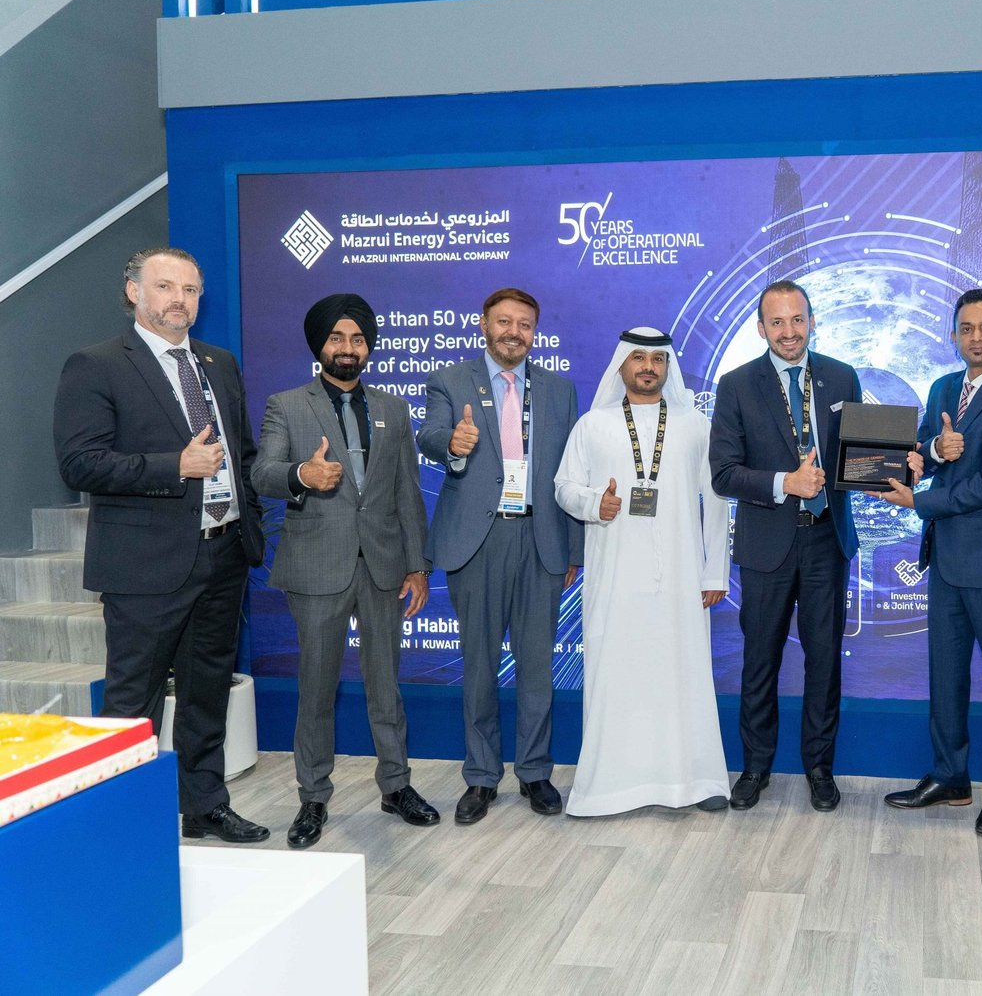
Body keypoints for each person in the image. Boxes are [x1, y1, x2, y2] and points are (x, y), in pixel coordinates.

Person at [53, 247, 269, 841]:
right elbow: (80, 463)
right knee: (132, 702)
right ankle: (121, 825)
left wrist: (248, 525)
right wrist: (175, 465)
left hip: (223, 553)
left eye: (191, 290)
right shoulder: (96, 365)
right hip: (144, 565)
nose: (180, 300)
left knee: (207, 693)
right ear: (134, 291)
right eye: (166, 286)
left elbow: (242, 454)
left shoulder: (219, 363)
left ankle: (204, 805)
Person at [252, 294, 438, 848]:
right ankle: (313, 797)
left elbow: (407, 493)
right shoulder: (287, 405)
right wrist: (302, 475)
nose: (348, 348)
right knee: (316, 690)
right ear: (320, 346)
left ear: (369, 347)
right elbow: (262, 473)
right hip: (317, 568)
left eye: (357, 339)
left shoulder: (392, 409)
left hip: (382, 568)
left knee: (386, 687)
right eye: (337, 338)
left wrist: (417, 566)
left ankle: (396, 785)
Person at [875, 288, 982, 836]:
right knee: (945, 677)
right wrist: (930, 450)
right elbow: (925, 447)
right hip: (946, 557)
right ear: (953, 336)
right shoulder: (943, 388)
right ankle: (950, 776)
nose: (977, 337)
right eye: (967, 328)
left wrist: (920, 502)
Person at [417, 287, 581, 825]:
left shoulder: (559, 391)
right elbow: (429, 434)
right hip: (477, 540)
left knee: (537, 666)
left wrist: (574, 547)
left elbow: (572, 473)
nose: (514, 332)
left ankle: (535, 772)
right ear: (484, 325)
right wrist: (453, 443)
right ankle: (482, 776)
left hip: (541, 539)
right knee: (480, 665)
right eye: (504, 322)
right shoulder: (450, 380)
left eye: (525, 324)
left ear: (535, 332)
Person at [554, 329, 731, 815]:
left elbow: (717, 500)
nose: (648, 367)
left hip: (682, 576)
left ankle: (696, 781)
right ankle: (610, 787)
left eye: (657, 358)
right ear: (622, 365)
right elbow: (564, 486)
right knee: (618, 676)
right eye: (638, 358)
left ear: (668, 366)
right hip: (614, 577)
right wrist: (595, 503)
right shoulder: (593, 425)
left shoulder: (695, 425)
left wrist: (714, 572)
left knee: (683, 674)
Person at [709, 280, 861, 812]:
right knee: (759, 662)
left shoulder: (842, 376)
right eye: (777, 322)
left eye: (797, 319)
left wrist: (897, 463)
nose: (789, 331)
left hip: (826, 541)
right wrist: (785, 483)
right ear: (761, 328)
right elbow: (724, 474)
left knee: (825, 662)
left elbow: (857, 457)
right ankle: (755, 768)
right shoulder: (736, 385)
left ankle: (820, 768)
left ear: (812, 321)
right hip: (766, 546)